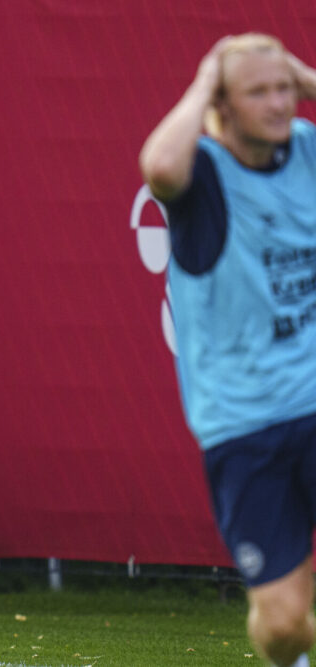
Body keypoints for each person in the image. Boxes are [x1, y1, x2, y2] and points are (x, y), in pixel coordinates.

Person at [140, 33, 316, 667]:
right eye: (258, 93)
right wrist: (205, 77)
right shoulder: (204, 176)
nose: (277, 105)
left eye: (283, 91)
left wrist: (299, 75)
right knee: (284, 623)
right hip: (243, 425)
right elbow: (159, 166)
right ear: (223, 104)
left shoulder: (307, 150)